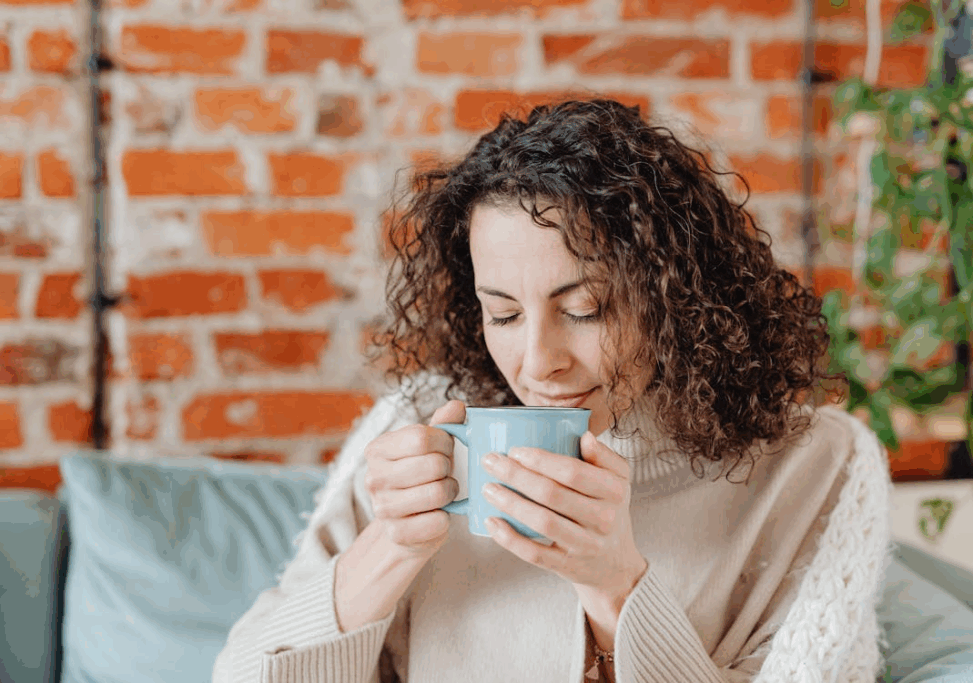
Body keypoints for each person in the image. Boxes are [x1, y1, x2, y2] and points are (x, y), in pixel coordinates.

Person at [212, 98, 894, 683]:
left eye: (585, 309)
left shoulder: (811, 466)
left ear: (676, 296)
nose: (539, 364)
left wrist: (616, 585)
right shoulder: (422, 426)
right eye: (504, 314)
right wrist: (390, 546)